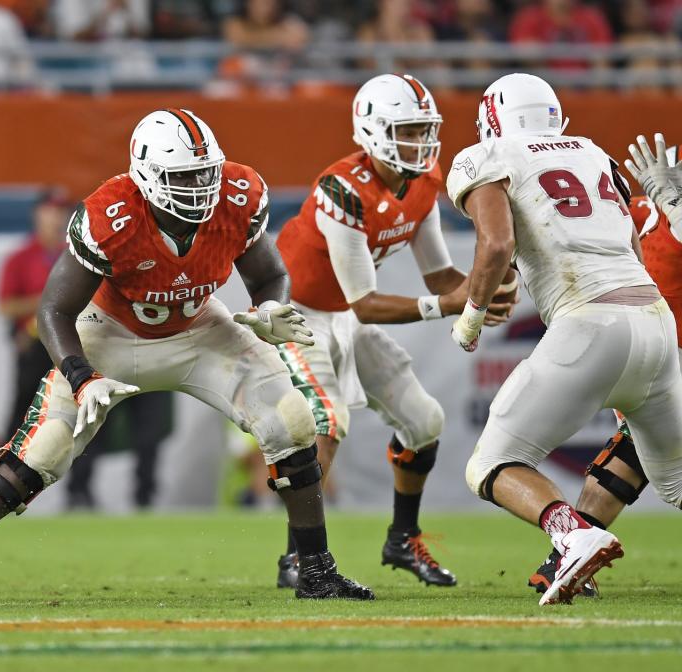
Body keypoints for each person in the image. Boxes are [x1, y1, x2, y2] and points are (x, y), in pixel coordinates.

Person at [0, 107, 375, 604]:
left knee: (290, 418)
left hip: (200, 328)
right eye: (184, 176)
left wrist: (272, 307)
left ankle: (313, 569)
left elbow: (269, 273)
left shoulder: (238, 194)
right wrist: (81, 376)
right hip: (114, 333)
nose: (201, 187)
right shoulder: (110, 214)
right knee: (45, 446)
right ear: (147, 175)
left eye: (206, 173)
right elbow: (53, 311)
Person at [271, 73, 517, 590]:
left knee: (424, 420)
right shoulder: (342, 189)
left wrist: (486, 287)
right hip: (298, 315)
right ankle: (299, 559)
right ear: (372, 129)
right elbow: (368, 303)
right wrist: (453, 303)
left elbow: (442, 277)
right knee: (326, 421)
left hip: (345, 318)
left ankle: (402, 539)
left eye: (424, 129)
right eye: (406, 131)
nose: (419, 142)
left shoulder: (424, 177)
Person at [447, 73, 682, 606]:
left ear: (491, 119)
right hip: (655, 319)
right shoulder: (593, 153)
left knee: (490, 463)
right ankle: (577, 536)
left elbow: (497, 242)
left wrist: (472, 315)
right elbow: (635, 251)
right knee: (677, 481)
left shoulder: (487, 154)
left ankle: (571, 533)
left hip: (590, 322)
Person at [527, 135, 682, 597]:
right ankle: (571, 554)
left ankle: (567, 556)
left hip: (658, 361)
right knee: (637, 456)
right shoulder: (636, 214)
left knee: (639, 460)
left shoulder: (658, 212)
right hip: (650, 353)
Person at [0, 191, 69, 440]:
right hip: (34, 342)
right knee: (24, 410)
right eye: (49, 211)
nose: (55, 218)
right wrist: (44, 301)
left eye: (60, 212)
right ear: (37, 215)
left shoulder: (72, 255)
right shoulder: (20, 258)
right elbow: (5, 306)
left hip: (67, 340)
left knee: (72, 414)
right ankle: (2, 470)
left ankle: (78, 478)